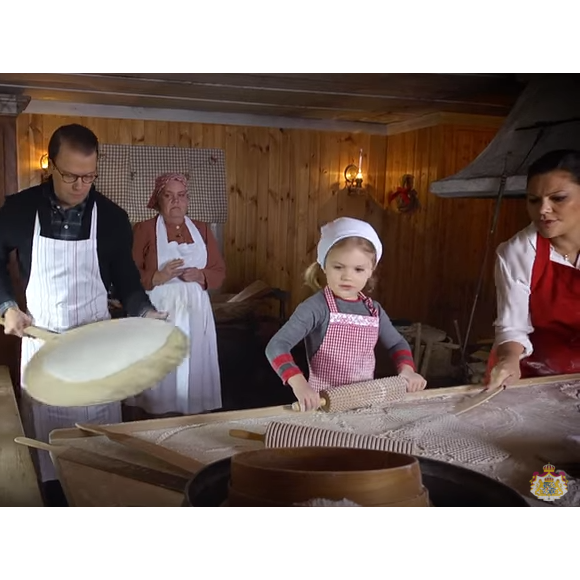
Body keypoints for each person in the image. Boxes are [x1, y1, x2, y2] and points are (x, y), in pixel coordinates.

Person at [0, 123, 165, 494]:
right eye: (71, 175)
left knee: (99, 451)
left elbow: (127, 280)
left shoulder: (111, 218)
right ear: (50, 165)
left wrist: (145, 312)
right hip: (43, 342)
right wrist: (6, 305)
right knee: (49, 453)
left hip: (95, 347)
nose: (80, 185)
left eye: (89, 176)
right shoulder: (19, 210)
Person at [266, 217, 427, 412]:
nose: (347, 276)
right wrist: (298, 383)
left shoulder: (373, 310)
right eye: (338, 267)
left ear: (370, 270)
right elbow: (277, 346)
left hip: (365, 405)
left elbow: (397, 343)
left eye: (358, 269)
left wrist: (407, 371)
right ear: (324, 265)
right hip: (323, 406)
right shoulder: (316, 308)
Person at [125, 173, 225, 418]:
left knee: (192, 360)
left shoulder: (201, 229)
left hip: (195, 311)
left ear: (188, 200)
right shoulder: (145, 229)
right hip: (159, 306)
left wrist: (201, 276)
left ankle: (191, 419)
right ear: (158, 200)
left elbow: (219, 272)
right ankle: (155, 418)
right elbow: (127, 276)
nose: (175, 202)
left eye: (181, 196)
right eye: (168, 196)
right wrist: (156, 277)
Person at [487, 149, 580, 389]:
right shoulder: (517, 252)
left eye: (558, 198)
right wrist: (507, 360)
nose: (542, 210)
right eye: (534, 200)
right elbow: (512, 326)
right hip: (533, 373)